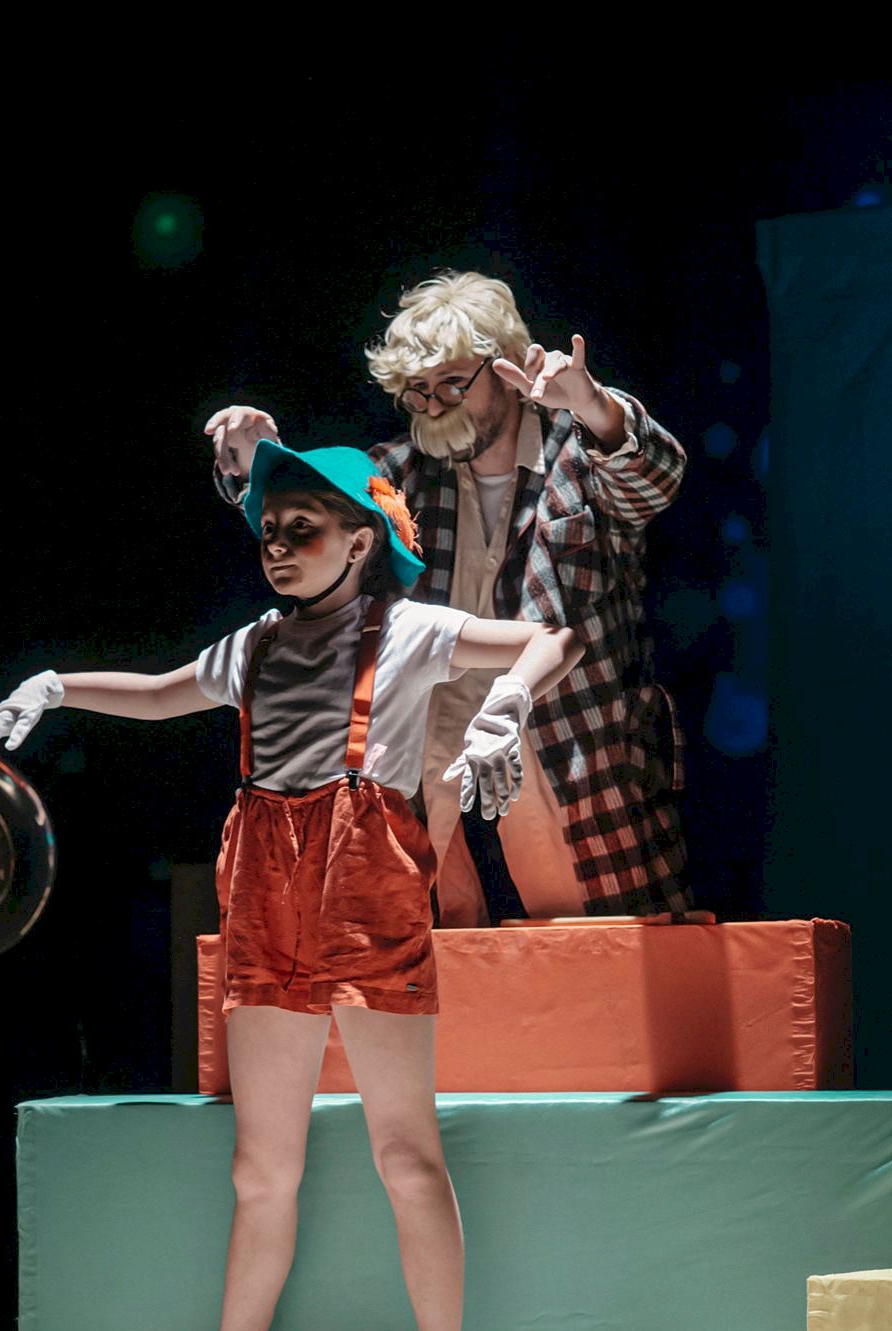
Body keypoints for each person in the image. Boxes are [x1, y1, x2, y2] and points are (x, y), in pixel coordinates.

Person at [0, 442, 584, 1331]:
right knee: (261, 1168)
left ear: (362, 540)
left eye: (304, 527)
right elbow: (164, 693)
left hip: (368, 886)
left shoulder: (409, 629)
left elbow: (549, 637)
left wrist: (505, 702)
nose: (279, 545)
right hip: (264, 890)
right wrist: (56, 685)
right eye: (270, 529)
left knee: (405, 1153)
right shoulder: (254, 645)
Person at [205, 270, 691, 926]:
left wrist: (594, 404)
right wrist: (261, 459)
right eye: (417, 392)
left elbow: (656, 478)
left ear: (508, 367)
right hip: (432, 764)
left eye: (453, 384)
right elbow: (314, 521)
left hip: (574, 756)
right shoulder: (402, 471)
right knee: (431, 955)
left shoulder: (576, 453)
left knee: (597, 959)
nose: (433, 407)